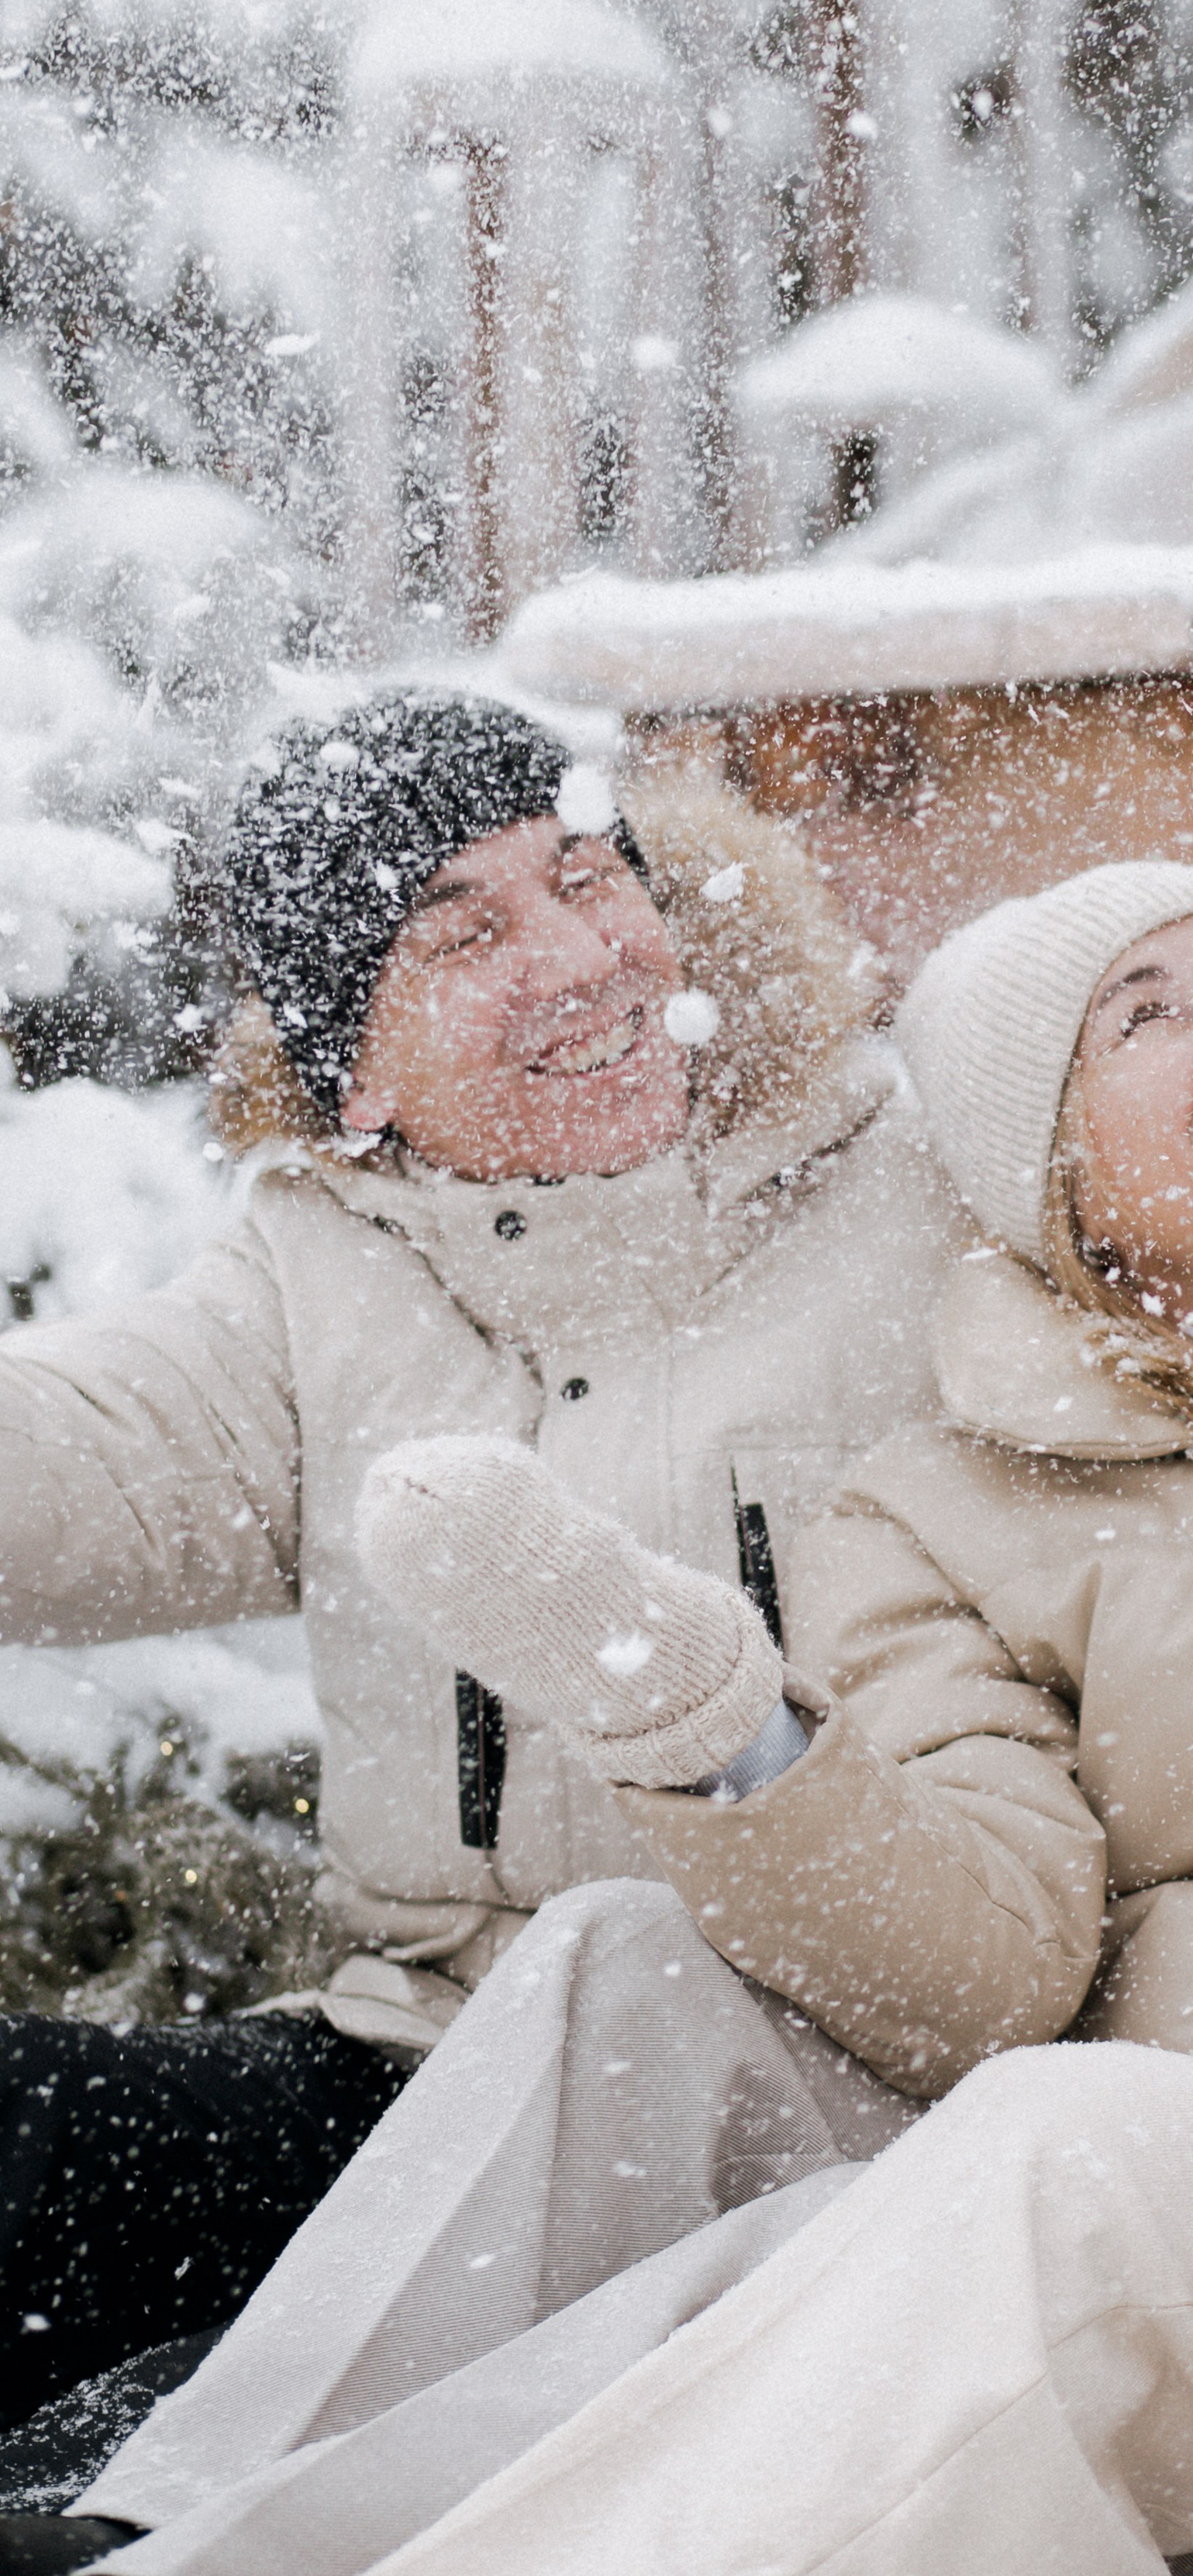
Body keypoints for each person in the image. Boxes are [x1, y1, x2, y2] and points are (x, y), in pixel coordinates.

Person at [69, 860, 1193, 2576]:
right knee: (638, 1973)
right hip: (1183, 2137)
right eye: (1138, 1018)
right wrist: (695, 1713)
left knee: (1046, 2163)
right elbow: (985, 1970)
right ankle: (184, 2537)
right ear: (1043, 1174)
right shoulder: (948, 1510)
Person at [0, 687, 967, 2457]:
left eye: (591, 881)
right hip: (425, 2075)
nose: (577, 960)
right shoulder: (324, 1280)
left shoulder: (922, 1196)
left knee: (169, 2462)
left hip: (830, 2085)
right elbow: (58, 1459)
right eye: (465, 935)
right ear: (351, 1069)